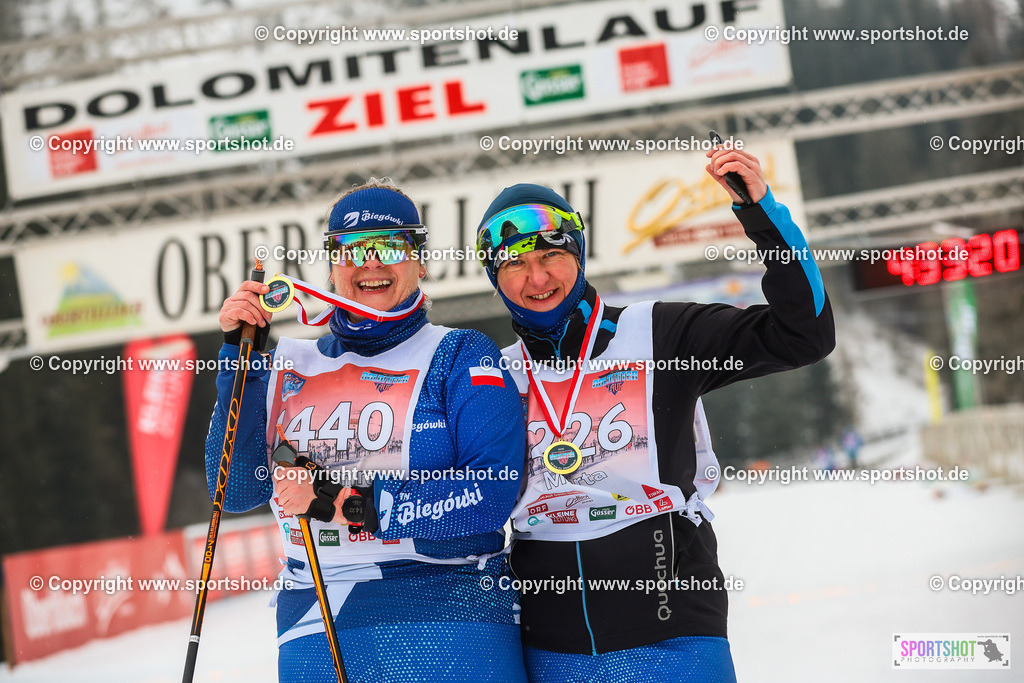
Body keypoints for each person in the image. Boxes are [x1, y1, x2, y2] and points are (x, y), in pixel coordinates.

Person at [474, 145, 836, 681]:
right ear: (495, 279)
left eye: (551, 255)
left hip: (674, 631)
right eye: (517, 264)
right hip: (554, 647)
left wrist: (761, 214)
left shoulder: (659, 334)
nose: (538, 278)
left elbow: (803, 334)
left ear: (577, 255)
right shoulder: (497, 377)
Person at [206, 179, 528, 682]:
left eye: (390, 245)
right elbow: (235, 489)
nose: (370, 262)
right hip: (317, 615)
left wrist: (346, 500)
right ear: (331, 265)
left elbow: (492, 493)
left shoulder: (461, 354)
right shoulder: (288, 361)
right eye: (352, 249)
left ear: (420, 260)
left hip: (450, 608)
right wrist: (238, 357)